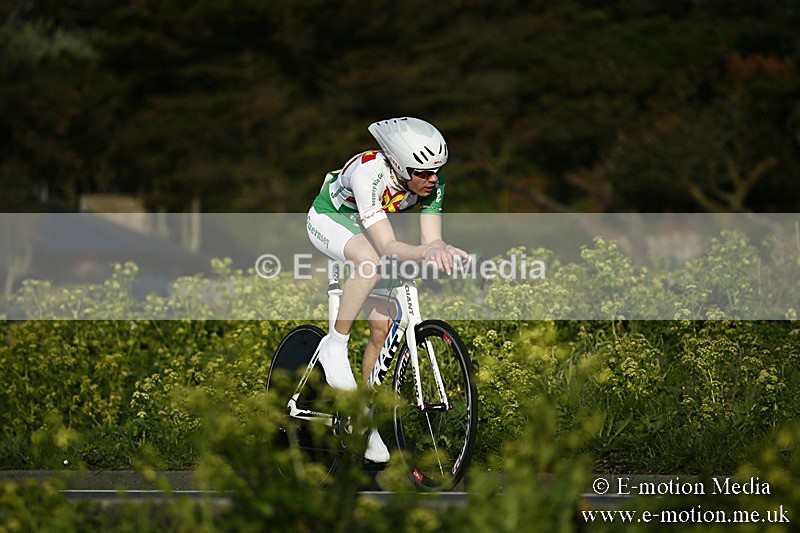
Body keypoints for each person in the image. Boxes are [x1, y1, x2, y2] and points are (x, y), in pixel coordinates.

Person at [305, 117, 468, 463]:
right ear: (396, 163)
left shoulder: (430, 182)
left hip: (368, 225)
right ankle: (334, 345)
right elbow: (388, 246)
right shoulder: (370, 175)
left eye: (437, 170)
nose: (432, 179)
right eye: (422, 172)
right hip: (330, 217)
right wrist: (426, 252)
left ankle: (362, 418)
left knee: (383, 327)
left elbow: (431, 239)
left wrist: (442, 248)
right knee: (370, 262)